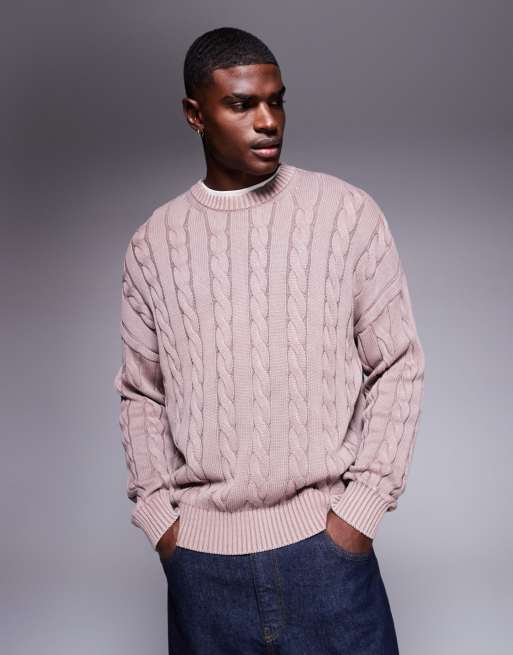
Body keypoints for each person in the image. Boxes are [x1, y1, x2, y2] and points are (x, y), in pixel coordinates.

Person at [113, 25, 426, 655]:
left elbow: (396, 365)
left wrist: (359, 515)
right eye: (241, 104)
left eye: (276, 101)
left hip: (327, 557)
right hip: (201, 568)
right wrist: (163, 526)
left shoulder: (346, 214)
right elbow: (141, 395)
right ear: (195, 115)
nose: (267, 121)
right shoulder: (154, 245)